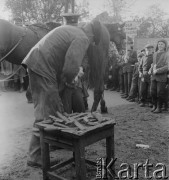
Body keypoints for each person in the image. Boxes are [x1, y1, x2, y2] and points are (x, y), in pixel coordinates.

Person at [22, 19, 103, 167]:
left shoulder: (72, 30)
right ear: (92, 36)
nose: (89, 44)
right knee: (48, 111)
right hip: (42, 66)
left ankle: (48, 145)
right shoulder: (82, 37)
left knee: (51, 108)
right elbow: (70, 67)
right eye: (92, 42)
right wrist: (70, 79)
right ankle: (35, 156)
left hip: (38, 63)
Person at [149, 39, 169, 113]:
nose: (160, 46)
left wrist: (157, 70)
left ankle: (159, 107)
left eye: (162, 44)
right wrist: (151, 69)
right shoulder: (155, 54)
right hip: (154, 76)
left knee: (160, 92)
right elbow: (153, 64)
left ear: (165, 46)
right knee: (152, 92)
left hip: (161, 77)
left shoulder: (167, 54)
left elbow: (167, 66)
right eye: (159, 44)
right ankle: (154, 105)